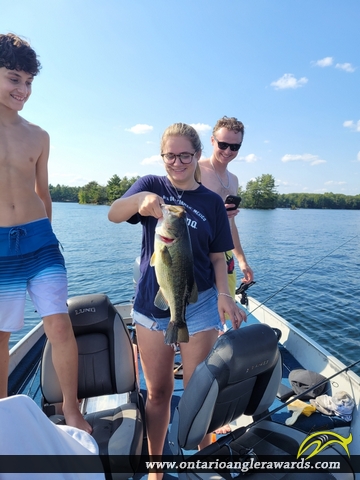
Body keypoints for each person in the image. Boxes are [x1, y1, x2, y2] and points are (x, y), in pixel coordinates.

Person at [108, 123, 247, 479]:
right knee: (158, 393)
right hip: (151, 308)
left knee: (200, 392)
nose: (177, 162)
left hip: (198, 307)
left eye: (185, 155)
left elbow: (219, 257)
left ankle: (205, 456)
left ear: (197, 155)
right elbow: (114, 213)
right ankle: (156, 469)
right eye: (170, 155)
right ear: (162, 156)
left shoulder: (212, 202)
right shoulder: (153, 185)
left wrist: (224, 295)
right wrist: (139, 201)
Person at [0, 33, 91, 433]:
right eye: (13, 78)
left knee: (59, 325)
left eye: (29, 82)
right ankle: (5, 412)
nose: (23, 90)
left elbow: (43, 192)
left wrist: (49, 238)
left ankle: (71, 408)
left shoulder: (39, 136)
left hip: (40, 240)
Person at [199, 116, 254, 299]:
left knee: (224, 312)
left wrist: (242, 260)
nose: (228, 151)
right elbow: (179, 215)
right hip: (201, 256)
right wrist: (216, 213)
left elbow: (231, 225)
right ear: (212, 141)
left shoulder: (234, 180)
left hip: (226, 256)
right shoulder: (195, 170)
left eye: (235, 147)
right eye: (223, 145)